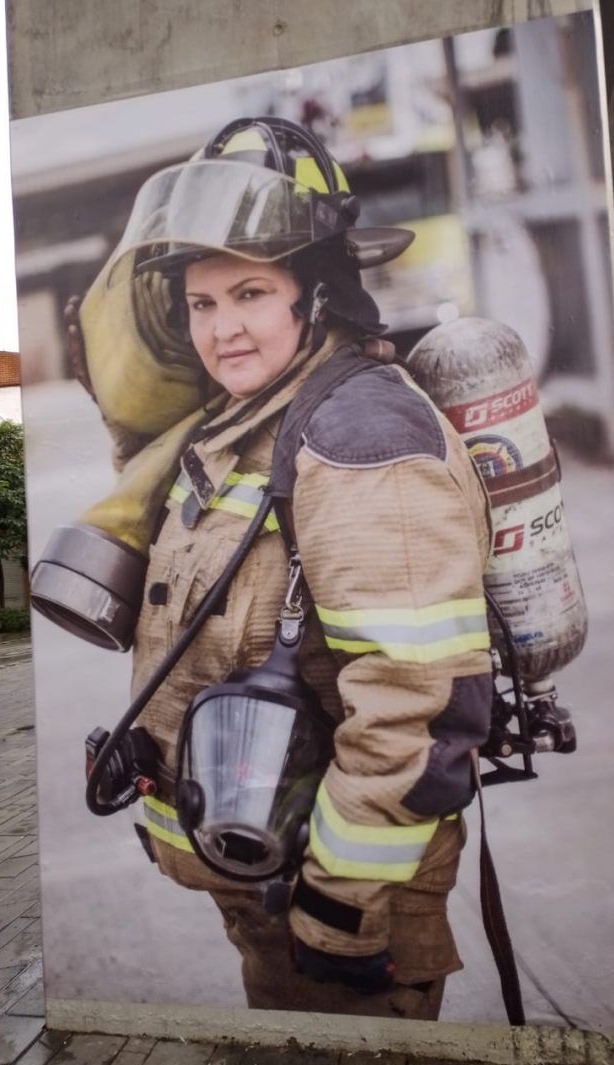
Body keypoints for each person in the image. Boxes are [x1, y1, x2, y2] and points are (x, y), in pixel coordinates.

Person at [87, 117, 494, 1019]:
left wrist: (339, 910)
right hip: (267, 878)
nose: (222, 330)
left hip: (336, 909)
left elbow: (416, 702)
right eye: (201, 303)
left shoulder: (360, 438)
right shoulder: (245, 426)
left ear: (316, 294)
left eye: (249, 294)